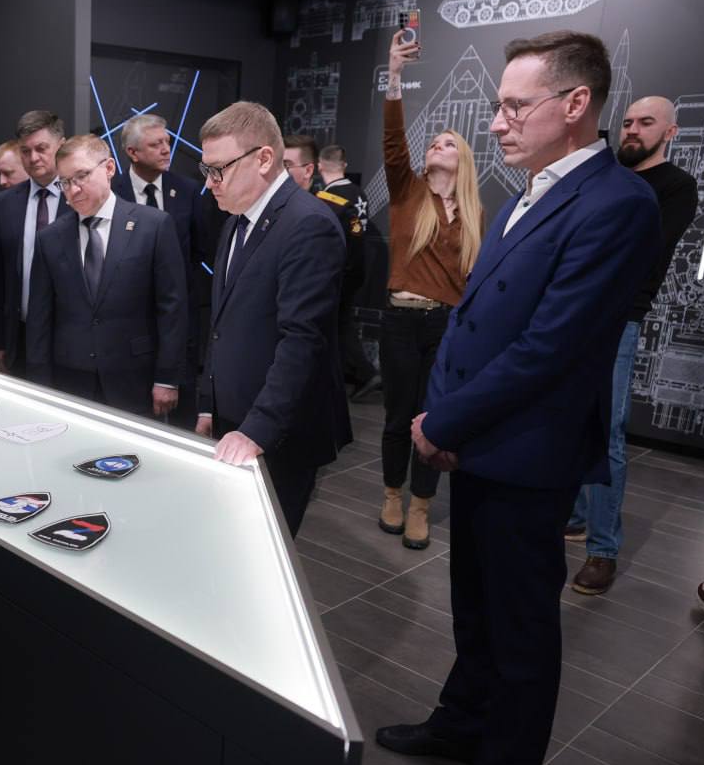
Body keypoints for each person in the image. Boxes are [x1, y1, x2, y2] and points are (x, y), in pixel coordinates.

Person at [376, 32, 662, 765]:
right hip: (478, 440)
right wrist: (441, 417)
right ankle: (461, 722)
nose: (496, 122)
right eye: (498, 106)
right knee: (476, 606)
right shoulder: (525, 192)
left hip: (527, 453)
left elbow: (549, 349)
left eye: (513, 106)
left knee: (521, 629)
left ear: (575, 104)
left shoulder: (617, 204)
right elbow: (469, 319)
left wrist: (443, 420)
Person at [195, 101, 350, 536]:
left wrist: (256, 431)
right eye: (206, 170)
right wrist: (209, 402)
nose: (209, 183)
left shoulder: (309, 224)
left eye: (218, 170)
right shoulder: (236, 221)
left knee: (260, 548)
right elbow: (222, 324)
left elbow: (302, 341)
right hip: (234, 420)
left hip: (276, 434)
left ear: (264, 158)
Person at [565, 96, 698, 595]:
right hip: (576, 313)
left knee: (608, 433)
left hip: (619, 319)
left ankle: (603, 550)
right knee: (570, 419)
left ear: (670, 133)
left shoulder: (676, 186)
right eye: (627, 122)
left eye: (645, 123)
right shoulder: (609, 177)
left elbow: (639, 248)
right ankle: (575, 517)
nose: (632, 130)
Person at [376, 29, 486, 551]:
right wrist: (395, 73)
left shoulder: (474, 213)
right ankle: (392, 496)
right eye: (434, 142)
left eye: (448, 143)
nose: (437, 145)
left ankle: (421, 505)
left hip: (447, 325)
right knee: (398, 417)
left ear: (462, 159)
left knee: (433, 418)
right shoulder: (407, 191)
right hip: (401, 319)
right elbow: (393, 138)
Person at [26, 135, 187, 416]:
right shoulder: (50, 238)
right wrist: (39, 383)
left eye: (82, 176)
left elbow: (172, 308)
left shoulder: (153, 226)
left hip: (135, 375)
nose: (73, 190)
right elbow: (40, 318)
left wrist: (167, 377)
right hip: (70, 378)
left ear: (109, 168)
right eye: (65, 182)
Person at [111, 113, 208, 425]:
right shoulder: (112, 192)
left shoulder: (188, 190)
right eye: (155, 144)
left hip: (178, 320)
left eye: (167, 142)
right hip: (127, 325)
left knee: (182, 415)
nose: (167, 149)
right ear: (133, 152)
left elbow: (199, 251)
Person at [0, 110, 71, 375]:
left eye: (41, 148)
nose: (33, 158)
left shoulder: (81, 198)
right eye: (26, 151)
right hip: (20, 337)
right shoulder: (5, 203)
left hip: (71, 338)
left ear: (61, 146)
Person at [318, 143, 379, 400]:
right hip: (357, 268)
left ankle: (362, 372)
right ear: (343, 165)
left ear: (319, 166)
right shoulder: (359, 193)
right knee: (342, 323)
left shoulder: (327, 199)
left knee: (337, 325)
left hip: (338, 271)